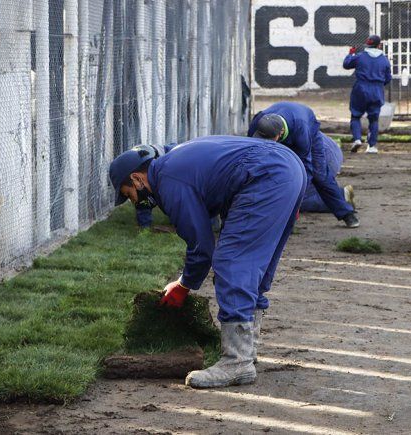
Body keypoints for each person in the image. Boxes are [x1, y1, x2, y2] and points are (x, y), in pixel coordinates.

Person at [109, 137, 305, 388]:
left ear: (137, 179)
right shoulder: (174, 161)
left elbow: (201, 247)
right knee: (253, 265)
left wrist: (184, 284)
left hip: (266, 175)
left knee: (231, 261)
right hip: (287, 166)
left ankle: (236, 362)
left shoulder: (169, 182)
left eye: (130, 195)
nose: (136, 202)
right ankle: (247, 352)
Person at [248, 102, 359, 228]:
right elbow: (251, 153)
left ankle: (346, 213)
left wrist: (296, 198)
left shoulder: (301, 130)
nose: (266, 143)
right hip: (286, 129)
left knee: (320, 175)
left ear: (281, 132)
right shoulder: (259, 122)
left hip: (308, 133)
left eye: (269, 139)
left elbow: (305, 167)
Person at [343, 34, 392, 154]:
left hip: (360, 89)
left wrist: (351, 54)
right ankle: (372, 146)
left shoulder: (360, 57)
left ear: (367, 44)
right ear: (379, 45)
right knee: (374, 119)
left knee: (355, 116)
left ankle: (357, 139)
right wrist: (379, 84)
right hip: (377, 90)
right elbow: (388, 78)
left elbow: (346, 64)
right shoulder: (384, 60)